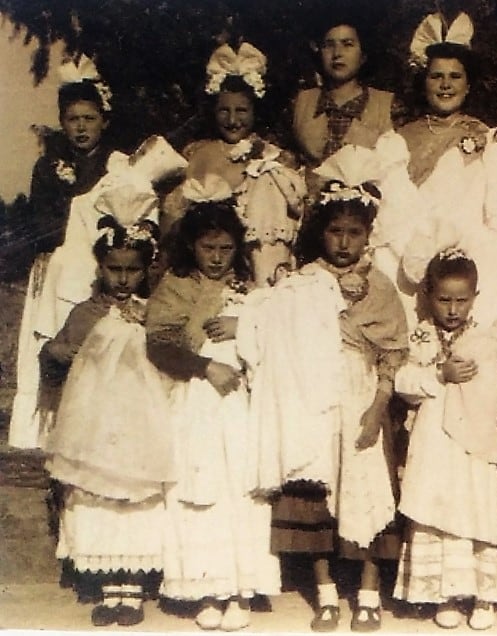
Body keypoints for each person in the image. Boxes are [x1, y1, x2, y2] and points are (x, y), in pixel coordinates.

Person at [238, 168, 408, 633]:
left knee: (369, 491)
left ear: (368, 235)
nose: (344, 242)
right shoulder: (301, 281)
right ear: (321, 233)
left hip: (361, 396)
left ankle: (369, 591)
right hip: (313, 400)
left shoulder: (381, 286)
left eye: (355, 233)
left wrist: (377, 408)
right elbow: (270, 326)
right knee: (315, 497)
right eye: (335, 231)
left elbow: (393, 352)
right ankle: (327, 592)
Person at [146, 185, 280, 631]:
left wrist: (245, 327)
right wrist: (204, 366)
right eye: (208, 248)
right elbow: (160, 344)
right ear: (191, 245)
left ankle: (240, 589)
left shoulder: (250, 288)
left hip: (240, 402)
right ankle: (205, 588)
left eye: (226, 248)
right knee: (201, 489)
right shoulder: (177, 285)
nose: (218, 257)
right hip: (196, 399)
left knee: (240, 489)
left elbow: (272, 339)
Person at [43, 214, 169, 628]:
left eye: (132, 270)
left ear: (146, 270)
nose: (122, 279)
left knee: (133, 495)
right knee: (97, 493)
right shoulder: (86, 312)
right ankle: (107, 582)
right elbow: (57, 352)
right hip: (95, 424)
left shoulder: (153, 310)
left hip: (139, 421)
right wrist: (64, 353)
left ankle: (132, 584)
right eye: (114, 269)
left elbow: (170, 354)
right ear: (100, 268)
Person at [393, 249, 497, 630]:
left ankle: (483, 594)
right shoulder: (420, 337)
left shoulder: (489, 338)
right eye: (444, 299)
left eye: (461, 300)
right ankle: (444, 593)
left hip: (474, 446)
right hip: (434, 444)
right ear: (428, 296)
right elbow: (403, 382)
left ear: (475, 298)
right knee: (438, 509)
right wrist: (439, 374)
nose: (452, 309)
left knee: (478, 507)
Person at [9, 56, 116, 449]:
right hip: (58, 268)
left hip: (96, 266)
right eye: (73, 119)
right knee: (54, 345)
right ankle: (53, 432)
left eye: (89, 118)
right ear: (62, 122)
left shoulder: (116, 165)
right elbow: (43, 226)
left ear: (104, 120)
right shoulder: (48, 167)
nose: (81, 127)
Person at [397, 11, 497, 328]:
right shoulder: (401, 138)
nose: (445, 85)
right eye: (436, 76)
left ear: (468, 85)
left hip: (469, 258)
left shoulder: (487, 137)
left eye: (454, 77)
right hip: (414, 251)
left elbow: (490, 214)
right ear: (424, 82)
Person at [168, 41, 306, 287]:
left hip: (256, 269)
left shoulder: (273, 158)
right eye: (224, 111)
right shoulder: (197, 154)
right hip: (205, 266)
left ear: (255, 112)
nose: (232, 120)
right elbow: (174, 217)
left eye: (241, 110)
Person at [292, 17, 402, 171]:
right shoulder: (301, 101)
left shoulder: (388, 105)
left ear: (363, 55)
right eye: (329, 45)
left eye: (347, 44)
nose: (337, 53)